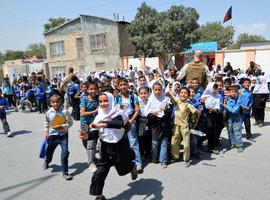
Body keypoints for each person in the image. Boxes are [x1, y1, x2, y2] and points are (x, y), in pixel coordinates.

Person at [80, 92, 137, 200]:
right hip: (105, 148)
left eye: (105, 101)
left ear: (111, 101)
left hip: (120, 147)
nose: (103, 103)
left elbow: (118, 123)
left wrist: (102, 124)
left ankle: (132, 166)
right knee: (99, 173)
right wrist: (87, 135)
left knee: (122, 171)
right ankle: (99, 196)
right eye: (100, 101)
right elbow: (96, 133)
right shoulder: (98, 117)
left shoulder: (118, 113)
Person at [43, 92, 73, 180]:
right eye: (53, 102)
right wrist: (46, 132)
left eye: (57, 102)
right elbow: (46, 122)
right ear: (50, 103)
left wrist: (62, 126)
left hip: (63, 135)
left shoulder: (65, 111)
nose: (55, 104)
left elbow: (70, 123)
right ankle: (47, 161)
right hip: (53, 136)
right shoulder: (48, 113)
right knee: (49, 151)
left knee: (65, 153)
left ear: (60, 102)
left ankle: (65, 172)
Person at [168, 87, 200, 167]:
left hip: (185, 127)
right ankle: (175, 157)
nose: (183, 94)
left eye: (185, 93)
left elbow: (198, 112)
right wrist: (170, 93)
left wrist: (196, 122)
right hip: (176, 126)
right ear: (179, 94)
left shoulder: (188, 105)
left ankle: (187, 159)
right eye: (181, 93)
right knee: (174, 142)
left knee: (186, 144)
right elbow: (170, 96)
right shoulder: (177, 101)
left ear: (188, 96)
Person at [115, 78, 142, 172]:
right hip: (121, 123)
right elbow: (115, 110)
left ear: (128, 85)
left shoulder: (133, 96)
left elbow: (137, 110)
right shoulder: (117, 97)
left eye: (124, 84)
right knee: (123, 143)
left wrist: (131, 121)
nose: (123, 87)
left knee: (133, 142)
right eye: (121, 85)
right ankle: (126, 162)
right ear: (118, 86)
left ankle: (138, 163)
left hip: (131, 121)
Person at [145, 81, 171, 168]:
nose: (157, 91)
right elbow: (146, 113)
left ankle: (163, 160)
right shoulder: (151, 100)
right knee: (154, 143)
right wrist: (152, 114)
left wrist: (166, 109)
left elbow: (170, 112)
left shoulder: (166, 99)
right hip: (155, 125)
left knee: (164, 143)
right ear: (153, 90)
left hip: (164, 124)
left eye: (159, 89)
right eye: (155, 90)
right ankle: (154, 158)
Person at [80, 82, 99, 172]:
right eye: (91, 89)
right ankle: (92, 155)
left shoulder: (99, 99)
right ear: (87, 90)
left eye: (95, 89)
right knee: (85, 143)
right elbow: (83, 113)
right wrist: (95, 111)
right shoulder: (84, 99)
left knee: (91, 143)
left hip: (94, 125)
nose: (93, 91)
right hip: (84, 124)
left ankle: (91, 162)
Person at [201, 82, 221, 154]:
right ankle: (200, 145)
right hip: (204, 114)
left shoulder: (218, 96)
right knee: (204, 130)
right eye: (214, 88)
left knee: (212, 130)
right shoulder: (204, 95)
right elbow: (200, 104)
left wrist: (214, 109)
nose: (215, 90)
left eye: (216, 88)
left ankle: (211, 147)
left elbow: (218, 106)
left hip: (212, 115)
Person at [224, 86, 244, 153]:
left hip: (237, 118)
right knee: (230, 130)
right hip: (229, 118)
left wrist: (226, 106)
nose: (233, 93)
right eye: (232, 91)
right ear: (229, 92)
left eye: (235, 92)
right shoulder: (227, 100)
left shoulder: (238, 100)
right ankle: (232, 143)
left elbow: (234, 110)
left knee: (237, 131)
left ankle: (239, 145)